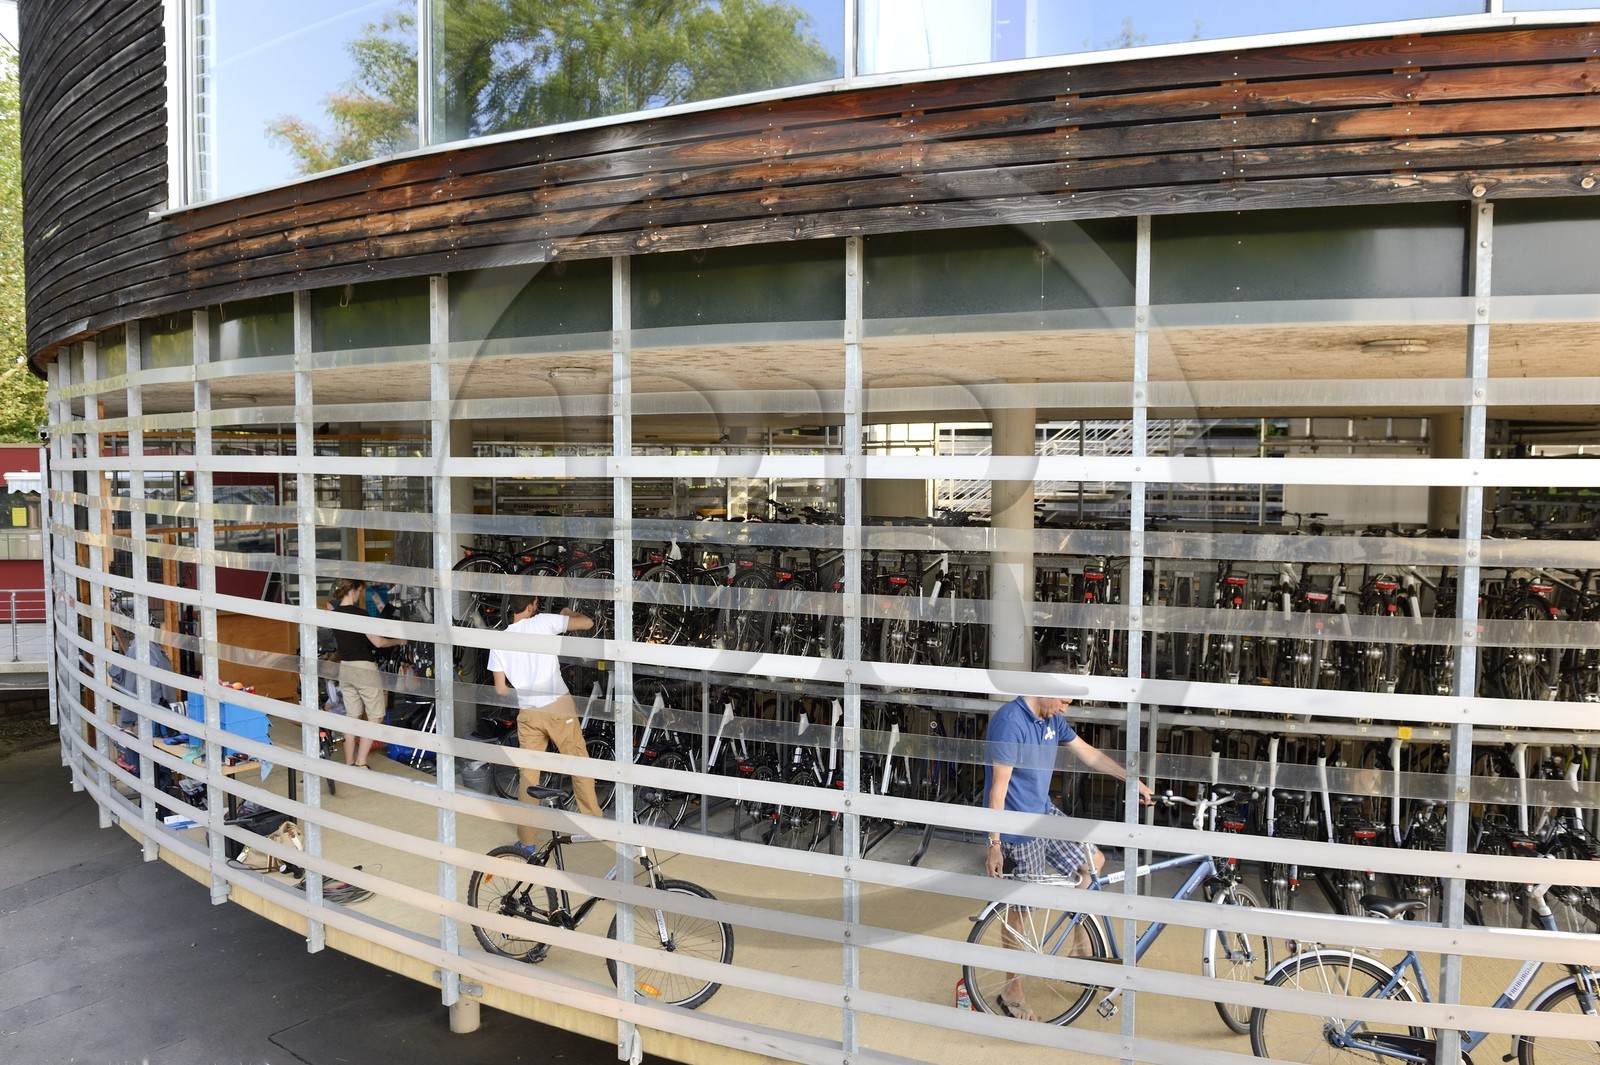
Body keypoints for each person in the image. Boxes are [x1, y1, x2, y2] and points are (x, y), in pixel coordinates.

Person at [983, 660, 1154, 1021]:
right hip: (1016, 827)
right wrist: (994, 843)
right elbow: (997, 789)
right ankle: (1011, 987)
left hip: (1045, 815)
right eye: (1064, 700)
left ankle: (1079, 945)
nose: (1067, 707)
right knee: (1021, 909)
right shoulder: (1010, 722)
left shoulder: (1052, 719)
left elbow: (1088, 753)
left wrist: (1130, 779)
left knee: (1092, 862)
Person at [488, 594, 601, 849]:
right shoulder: (543, 622)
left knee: (529, 776)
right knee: (578, 762)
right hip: (558, 705)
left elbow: (500, 690)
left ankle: (526, 842)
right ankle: (594, 824)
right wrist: (567, 612)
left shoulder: (498, 641)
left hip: (527, 712)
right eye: (536, 605)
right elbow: (587, 623)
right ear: (530, 607)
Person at [330, 578, 406, 769]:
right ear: (354, 591)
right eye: (360, 591)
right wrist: (398, 641)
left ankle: (348, 763)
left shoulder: (334, 615)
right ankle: (361, 763)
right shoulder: (361, 614)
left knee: (352, 716)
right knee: (376, 716)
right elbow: (378, 643)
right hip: (363, 668)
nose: (361, 595)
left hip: (345, 668)